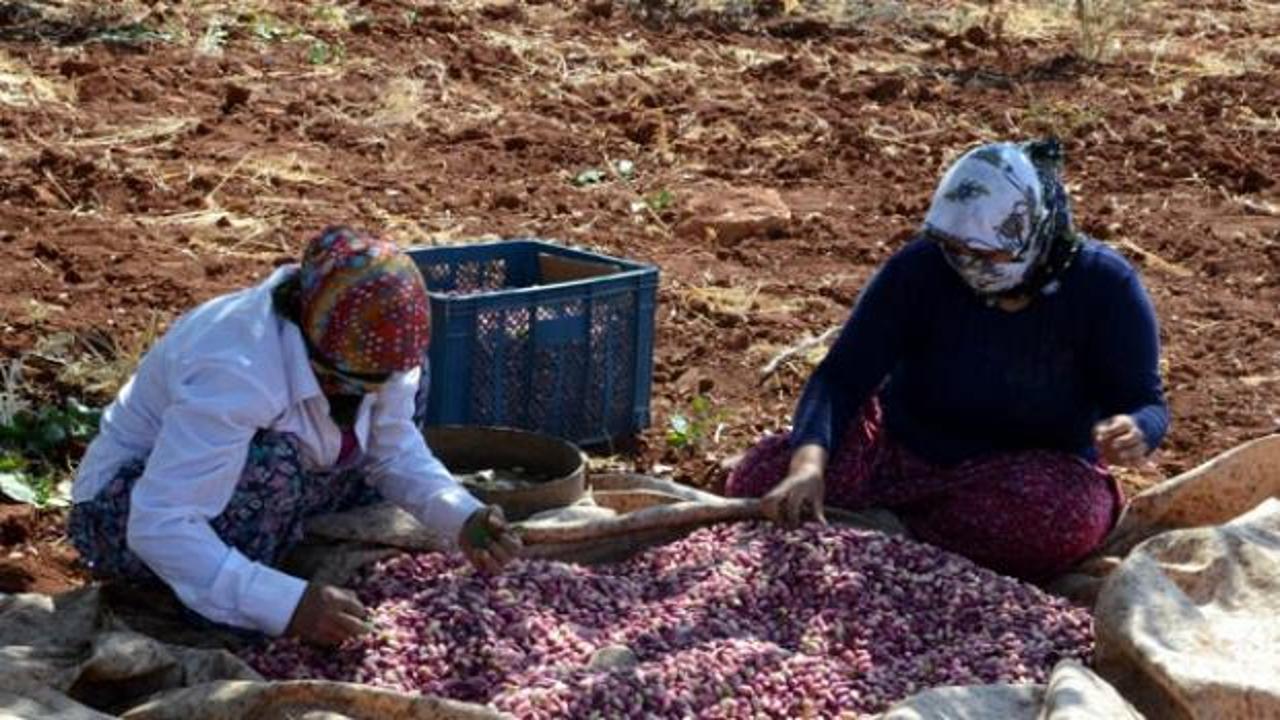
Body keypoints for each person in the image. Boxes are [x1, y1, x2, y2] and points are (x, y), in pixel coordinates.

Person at [727, 139, 1169, 581]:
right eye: (956, 248)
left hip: (1024, 475)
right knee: (762, 476)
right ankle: (908, 533)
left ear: (1034, 229)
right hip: (901, 452)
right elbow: (841, 377)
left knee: (1062, 521)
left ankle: (885, 530)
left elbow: (1145, 402)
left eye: (987, 254)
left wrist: (1136, 429)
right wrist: (809, 466)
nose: (966, 264)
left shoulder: (1103, 285)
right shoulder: (922, 268)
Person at [69, 226, 522, 646]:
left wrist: (461, 516)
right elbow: (160, 524)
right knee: (274, 464)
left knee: (392, 400)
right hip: (125, 514)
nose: (367, 393)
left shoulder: (383, 348)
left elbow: (393, 450)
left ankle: (266, 562)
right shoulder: (236, 369)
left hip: (281, 487)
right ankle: (224, 597)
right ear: (309, 338)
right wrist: (285, 605)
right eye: (348, 381)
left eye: (379, 380)